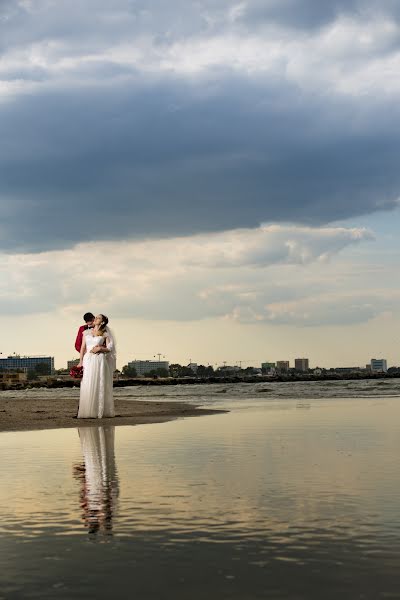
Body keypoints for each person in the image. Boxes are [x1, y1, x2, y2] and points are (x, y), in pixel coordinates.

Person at [77, 314, 116, 419]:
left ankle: (98, 411)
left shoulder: (105, 334)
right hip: (87, 360)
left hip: (99, 360)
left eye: (98, 318)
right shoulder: (86, 332)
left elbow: (110, 348)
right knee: (88, 383)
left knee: (98, 383)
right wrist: (80, 362)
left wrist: (100, 349)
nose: (95, 319)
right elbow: (82, 348)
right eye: (95, 317)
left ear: (102, 322)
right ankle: (87, 410)